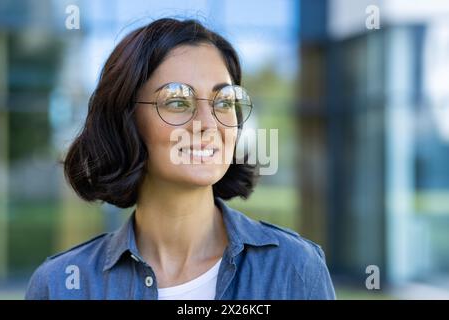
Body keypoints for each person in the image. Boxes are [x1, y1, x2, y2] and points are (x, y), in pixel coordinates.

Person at [25, 18, 336, 300]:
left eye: (224, 101)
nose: (208, 122)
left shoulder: (295, 270)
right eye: (177, 101)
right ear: (126, 121)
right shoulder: (61, 286)